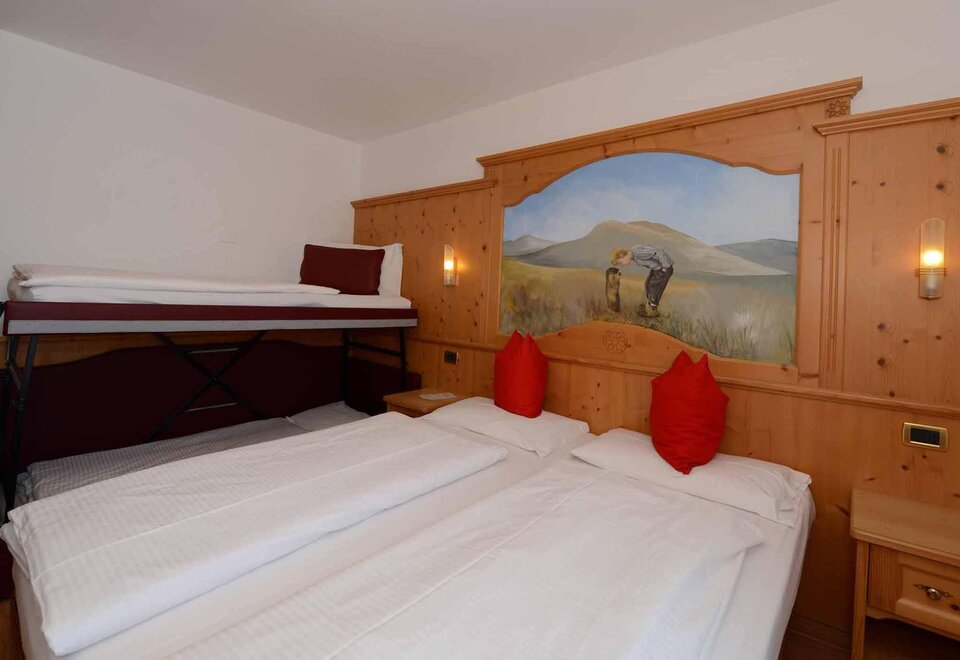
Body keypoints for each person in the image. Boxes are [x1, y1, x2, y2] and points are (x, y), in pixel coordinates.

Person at [610, 245, 674, 317]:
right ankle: (650, 307)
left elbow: (657, 251)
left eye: (621, 262)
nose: (623, 264)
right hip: (657, 269)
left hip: (664, 268)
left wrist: (665, 266)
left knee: (653, 286)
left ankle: (652, 310)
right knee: (647, 284)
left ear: (622, 255)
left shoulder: (637, 253)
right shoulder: (634, 254)